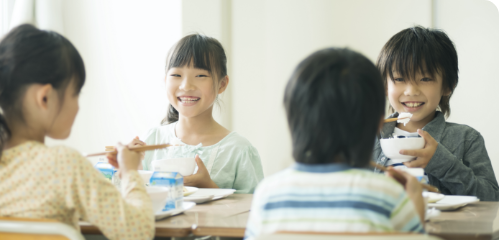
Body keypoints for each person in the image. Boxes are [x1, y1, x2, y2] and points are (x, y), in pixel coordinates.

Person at [0, 24, 154, 240]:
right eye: (75, 93)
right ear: (45, 98)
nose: (78, 106)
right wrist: (130, 173)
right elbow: (139, 232)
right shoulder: (65, 166)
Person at [244, 48, 425, 239]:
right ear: (379, 124)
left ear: (293, 119)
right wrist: (416, 215)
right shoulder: (388, 195)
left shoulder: (267, 194)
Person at [109, 34, 263, 194]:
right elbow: (135, 203)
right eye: (176, 75)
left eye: (201, 76)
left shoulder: (239, 150)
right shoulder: (151, 141)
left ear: (222, 84)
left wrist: (209, 187)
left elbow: (255, 211)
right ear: (165, 81)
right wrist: (131, 168)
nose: (186, 86)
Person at [373, 26, 499, 201]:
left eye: (425, 79)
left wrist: (443, 164)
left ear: (447, 85)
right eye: (400, 79)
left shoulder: (466, 139)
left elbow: (492, 200)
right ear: (386, 86)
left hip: (443, 228)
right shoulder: (367, 137)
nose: (411, 91)